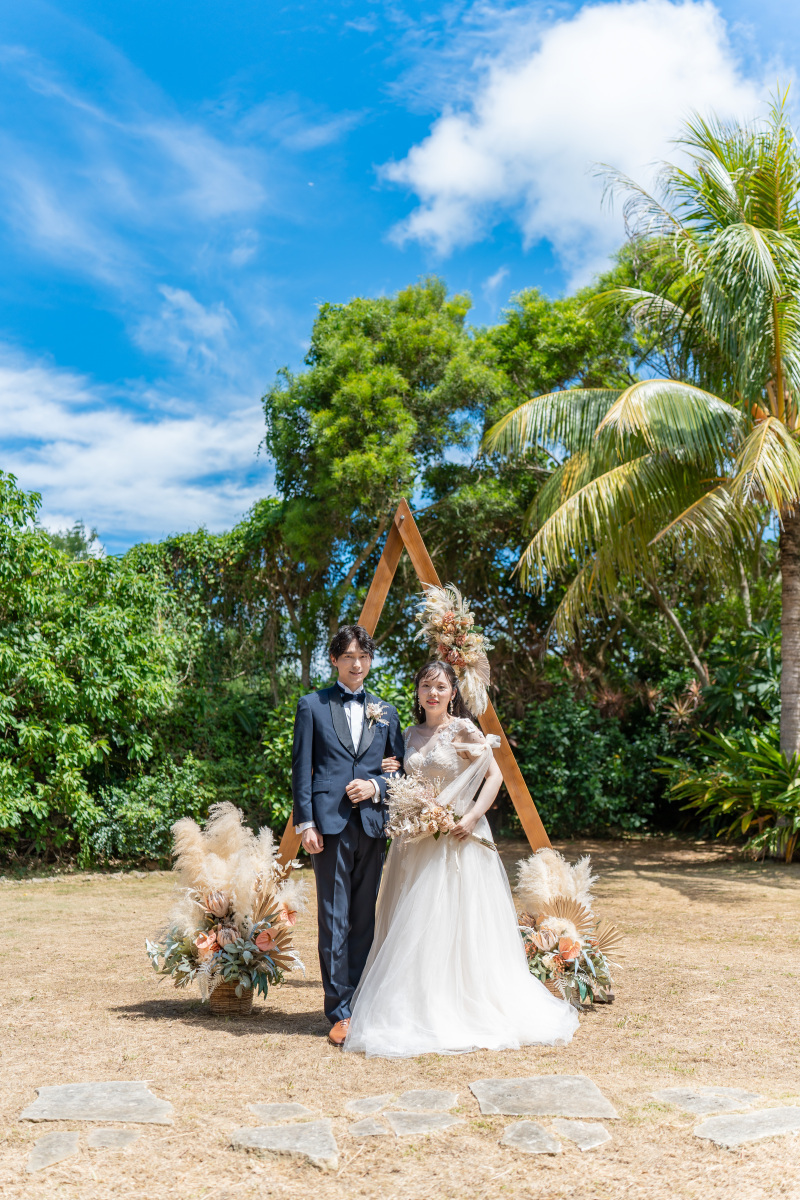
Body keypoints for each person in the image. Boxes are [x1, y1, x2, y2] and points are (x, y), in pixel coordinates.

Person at [343, 660, 579, 1057]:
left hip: (458, 837)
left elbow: (494, 776)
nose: (432, 693)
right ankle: (416, 1003)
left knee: (457, 919)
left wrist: (470, 818)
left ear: (453, 692)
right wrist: (391, 770)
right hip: (416, 841)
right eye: (425, 686)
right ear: (417, 692)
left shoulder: (463, 730)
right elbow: (404, 781)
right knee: (413, 921)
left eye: (440, 687)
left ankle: (464, 1000)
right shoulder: (407, 734)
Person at [291, 624, 405, 1046]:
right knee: (334, 919)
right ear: (335, 660)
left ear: (370, 661)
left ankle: (361, 1003)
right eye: (348, 657)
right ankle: (339, 1011)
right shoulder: (312, 706)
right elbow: (302, 769)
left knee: (363, 919)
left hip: (373, 827)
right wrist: (307, 823)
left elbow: (401, 773)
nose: (357, 664)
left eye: (363, 657)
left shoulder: (386, 711)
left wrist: (376, 786)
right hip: (330, 828)